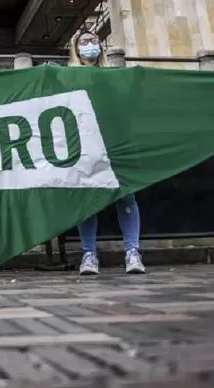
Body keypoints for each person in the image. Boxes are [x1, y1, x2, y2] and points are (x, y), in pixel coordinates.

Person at [67, 30, 145, 276]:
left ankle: (133, 252)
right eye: (83, 42)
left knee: (126, 196)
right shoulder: (67, 76)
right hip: (85, 144)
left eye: (93, 41)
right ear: (76, 49)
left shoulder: (113, 76)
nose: (89, 45)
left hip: (115, 141)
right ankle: (89, 255)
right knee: (88, 200)